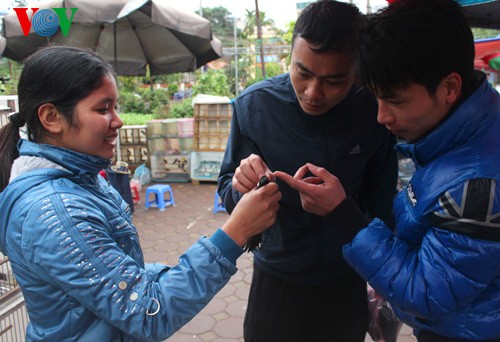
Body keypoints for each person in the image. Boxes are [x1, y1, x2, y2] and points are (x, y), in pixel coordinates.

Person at [0, 46, 281, 341]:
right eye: (103, 109)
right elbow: (149, 312)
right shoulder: (58, 212)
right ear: (52, 117)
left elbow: (116, 278)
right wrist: (236, 232)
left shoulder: (80, 178)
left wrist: (170, 274)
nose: (118, 120)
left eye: (115, 107)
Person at [275, 0, 500, 341]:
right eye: (376, 98)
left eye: (395, 101)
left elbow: (427, 293)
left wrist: (343, 214)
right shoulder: (458, 135)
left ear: (450, 88)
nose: (382, 117)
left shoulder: (476, 184)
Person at [217, 1, 398, 340]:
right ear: (290, 55)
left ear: (356, 72)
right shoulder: (254, 107)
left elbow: (383, 203)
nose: (314, 93)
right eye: (303, 73)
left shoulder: (373, 111)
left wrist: (382, 273)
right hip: (276, 280)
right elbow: (227, 192)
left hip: (346, 281)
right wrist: (239, 187)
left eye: (334, 80)